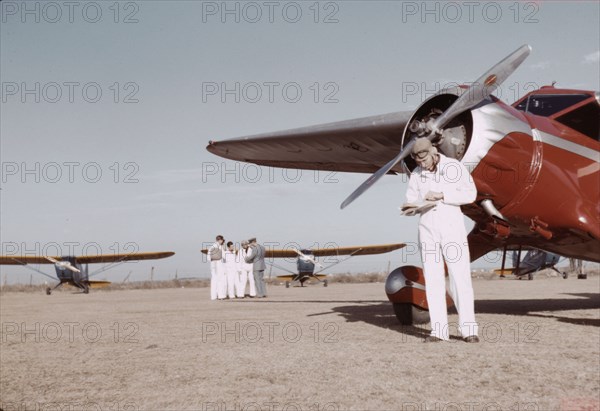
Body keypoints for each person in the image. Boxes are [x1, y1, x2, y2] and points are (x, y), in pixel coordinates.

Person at [404, 137, 479, 343]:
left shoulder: (453, 167)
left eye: (424, 159)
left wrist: (442, 194)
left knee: (459, 277)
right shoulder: (417, 174)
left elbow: (470, 193)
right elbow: (412, 198)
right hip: (427, 227)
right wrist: (411, 208)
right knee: (433, 278)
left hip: (451, 227)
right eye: (417, 161)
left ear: (433, 151)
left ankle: (469, 330)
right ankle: (438, 331)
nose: (421, 164)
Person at [207, 235, 226, 300]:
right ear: (220, 240)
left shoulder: (211, 247)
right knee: (220, 280)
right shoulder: (220, 247)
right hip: (219, 264)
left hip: (213, 264)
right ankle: (220, 295)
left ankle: (213, 296)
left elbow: (208, 258)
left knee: (214, 280)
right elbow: (224, 257)